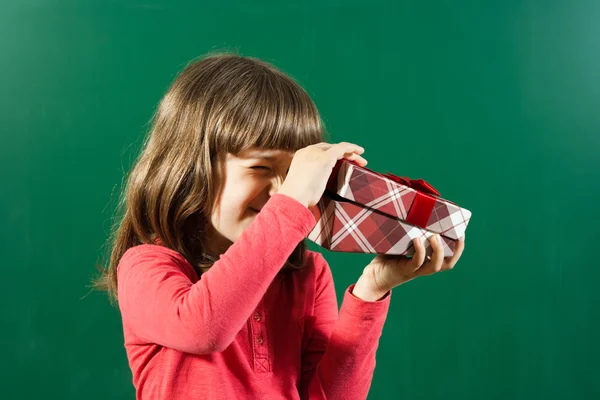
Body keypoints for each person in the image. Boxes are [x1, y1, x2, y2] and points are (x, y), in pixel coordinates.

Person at [94, 53, 465, 400]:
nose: (282, 191)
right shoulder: (145, 266)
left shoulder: (307, 275)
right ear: (192, 168)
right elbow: (205, 327)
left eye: (294, 176)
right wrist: (292, 204)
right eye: (260, 169)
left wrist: (372, 288)